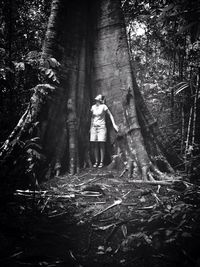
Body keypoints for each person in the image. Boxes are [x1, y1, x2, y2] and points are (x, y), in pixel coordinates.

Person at [90, 94, 118, 168]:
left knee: (101, 144)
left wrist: (114, 124)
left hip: (101, 127)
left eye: (98, 99)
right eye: (96, 99)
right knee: (95, 145)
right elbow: (92, 118)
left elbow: (110, 115)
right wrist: (90, 127)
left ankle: (101, 162)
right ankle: (96, 161)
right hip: (94, 127)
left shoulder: (104, 106)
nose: (96, 100)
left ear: (100, 100)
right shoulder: (93, 107)